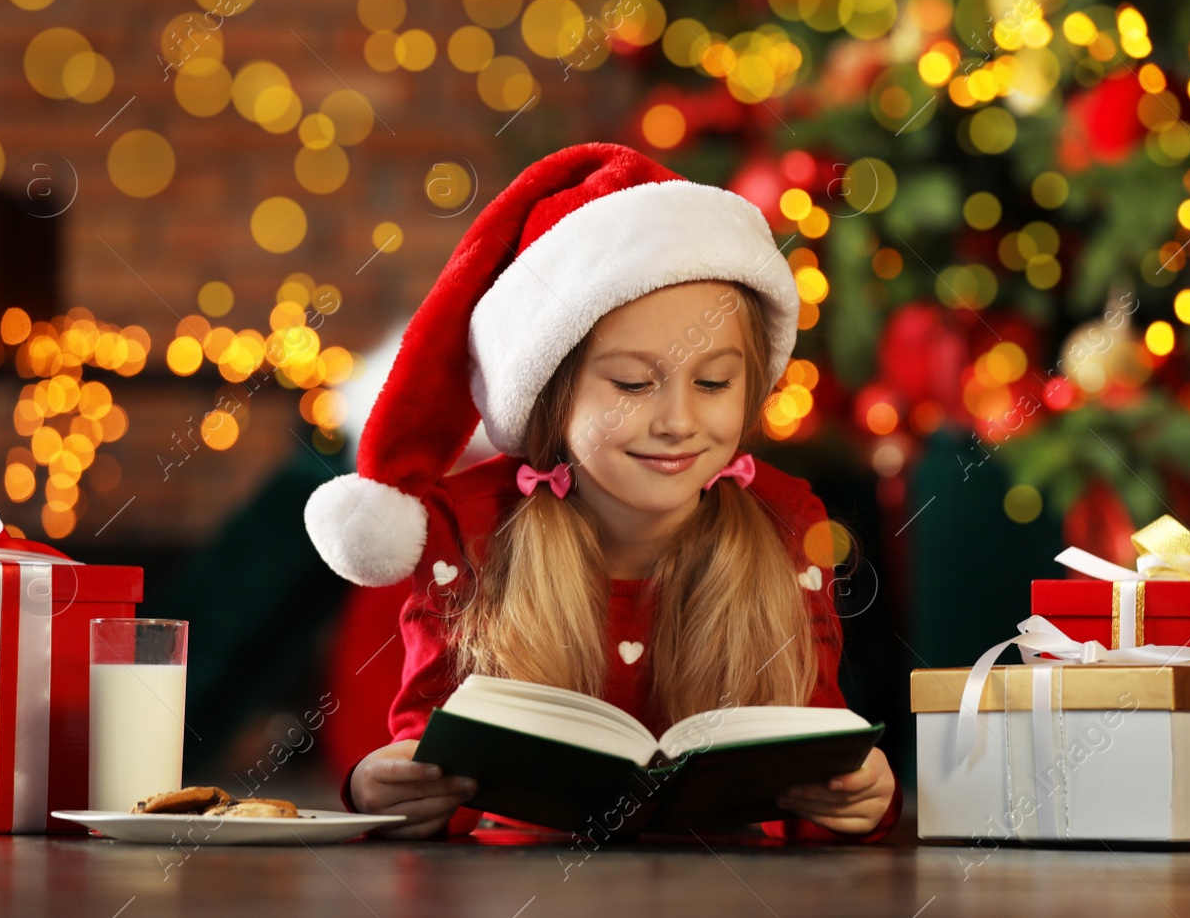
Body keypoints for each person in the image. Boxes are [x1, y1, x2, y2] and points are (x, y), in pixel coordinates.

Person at [304, 142, 902, 843]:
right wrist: (388, 785)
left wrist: (860, 798)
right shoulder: (466, 530)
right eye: (631, 383)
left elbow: (816, 753)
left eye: (713, 383)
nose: (678, 421)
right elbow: (426, 760)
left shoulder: (786, 521)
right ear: (553, 393)